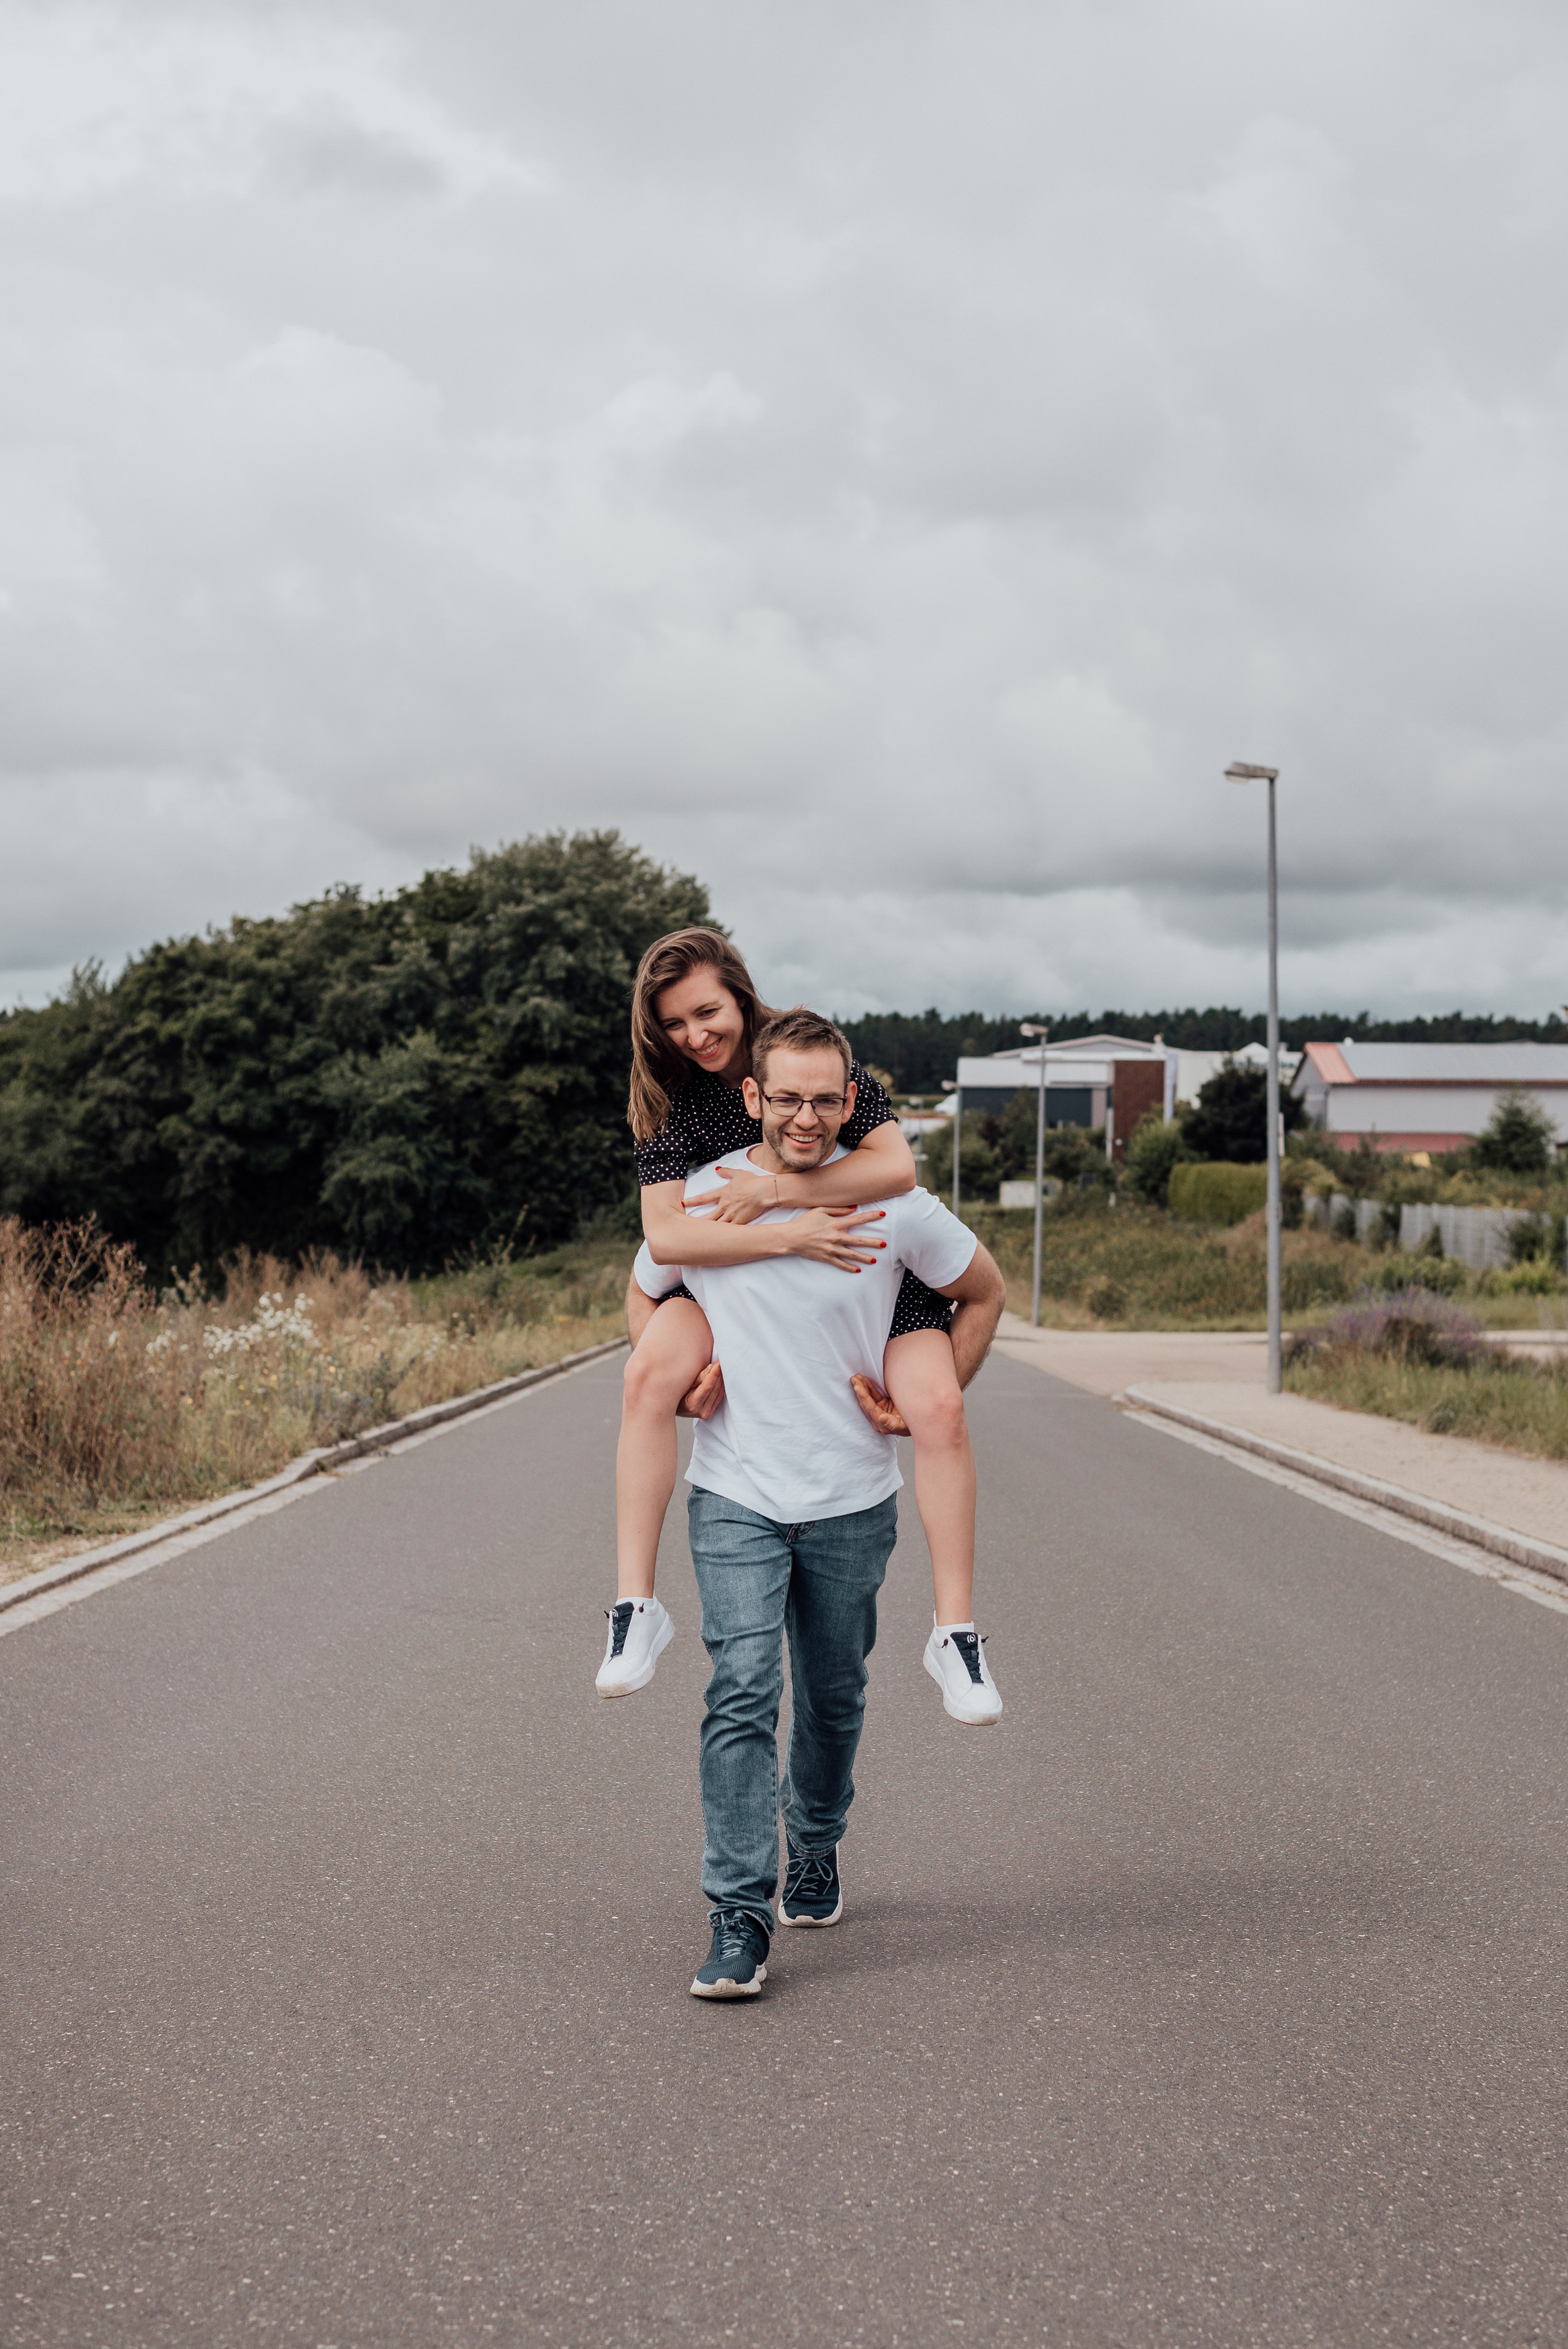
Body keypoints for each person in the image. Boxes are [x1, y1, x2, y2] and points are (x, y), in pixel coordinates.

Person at [631, 1007, 1008, 1997]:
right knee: (743, 1687)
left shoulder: (898, 1206)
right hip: (735, 1490)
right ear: (754, 1095)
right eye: (787, 1098)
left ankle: (816, 1841)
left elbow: (985, 1292)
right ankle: (738, 1913)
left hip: (850, 1498)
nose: (805, 1117)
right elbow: (645, 1290)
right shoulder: (705, 1195)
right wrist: (681, 1379)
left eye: (825, 1100)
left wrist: (926, 1403)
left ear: (852, 1102)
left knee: (834, 1698)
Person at [597, 928, 987, 1710]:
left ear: (740, 995)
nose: (694, 1035)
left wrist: (777, 1196)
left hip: (864, 1270)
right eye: (673, 1023)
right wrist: (784, 1238)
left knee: (940, 1407)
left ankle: (955, 1635)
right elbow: (666, 1238)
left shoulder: (809, 1058)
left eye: (707, 1012)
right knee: (647, 1376)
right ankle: (635, 1607)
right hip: (730, 1269)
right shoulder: (667, 1098)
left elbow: (895, 1168)